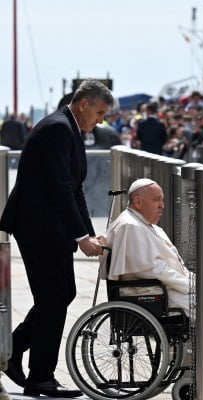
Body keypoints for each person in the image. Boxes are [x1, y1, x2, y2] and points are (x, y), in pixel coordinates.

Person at [0, 79, 111, 397]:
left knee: (61, 294)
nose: (100, 121)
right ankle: (41, 376)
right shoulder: (59, 129)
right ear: (83, 104)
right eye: (99, 112)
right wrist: (80, 237)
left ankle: (12, 351)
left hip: (50, 228)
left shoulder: (68, 128)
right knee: (53, 298)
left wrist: (89, 233)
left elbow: (74, 190)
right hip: (38, 228)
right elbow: (60, 186)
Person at [99, 179, 194, 317]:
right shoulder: (130, 226)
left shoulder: (143, 223)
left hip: (161, 289)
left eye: (162, 200)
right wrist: (189, 285)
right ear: (138, 202)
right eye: (156, 200)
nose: (162, 205)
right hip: (153, 293)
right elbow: (154, 269)